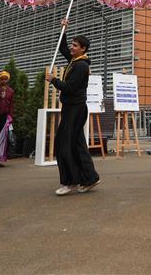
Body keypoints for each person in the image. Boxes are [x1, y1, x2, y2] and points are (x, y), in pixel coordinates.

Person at [46, 18, 100, 196]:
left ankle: (70, 181)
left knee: (64, 144)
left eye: (75, 45)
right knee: (77, 144)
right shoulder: (75, 61)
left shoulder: (81, 66)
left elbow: (70, 87)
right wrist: (64, 30)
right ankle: (90, 178)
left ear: (83, 49)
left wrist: (53, 79)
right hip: (71, 108)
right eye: (72, 44)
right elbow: (62, 49)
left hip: (75, 109)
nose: (71, 47)